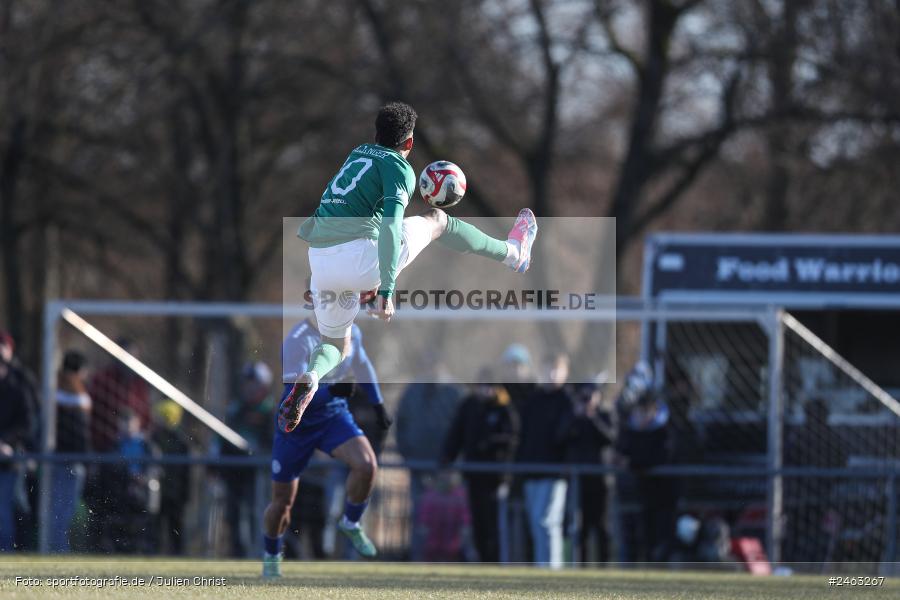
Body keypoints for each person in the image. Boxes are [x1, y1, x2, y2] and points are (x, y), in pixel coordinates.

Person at [278, 101, 539, 433]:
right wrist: (386, 289)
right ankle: (514, 253)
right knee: (438, 220)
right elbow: (389, 227)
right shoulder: (401, 170)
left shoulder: (358, 153)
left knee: (335, 344)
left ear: (377, 134)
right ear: (410, 143)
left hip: (320, 259)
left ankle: (311, 378)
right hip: (358, 257)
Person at [262, 318, 391, 577]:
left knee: (367, 466)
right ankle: (272, 556)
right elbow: (293, 398)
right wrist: (332, 392)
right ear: (313, 300)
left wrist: (378, 405)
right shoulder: (298, 341)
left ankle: (351, 522)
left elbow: (363, 366)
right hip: (296, 427)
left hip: (333, 417)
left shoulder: (351, 331)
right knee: (282, 502)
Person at [441, 375, 519, 563]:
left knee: (495, 523)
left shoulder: (504, 409)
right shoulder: (469, 406)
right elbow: (456, 435)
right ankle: (483, 561)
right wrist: (446, 458)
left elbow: (511, 440)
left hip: (496, 478)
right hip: (474, 476)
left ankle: (497, 562)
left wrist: (489, 445)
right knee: (477, 523)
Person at [396, 356, 462, 560]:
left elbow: (462, 429)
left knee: (448, 518)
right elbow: (401, 425)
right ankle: (419, 558)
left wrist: (453, 463)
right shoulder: (412, 393)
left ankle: (450, 561)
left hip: (446, 469)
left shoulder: (454, 393)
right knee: (420, 516)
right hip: (417, 465)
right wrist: (408, 456)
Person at [514, 351, 574, 569]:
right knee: (535, 523)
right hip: (532, 470)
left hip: (554, 473)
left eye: (556, 369)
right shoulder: (533, 401)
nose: (551, 374)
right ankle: (542, 567)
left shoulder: (567, 401)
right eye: (548, 368)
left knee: (547, 521)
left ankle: (552, 569)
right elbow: (524, 436)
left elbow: (567, 437)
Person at [559, 380, 615, 564]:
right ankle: (580, 566)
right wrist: (576, 417)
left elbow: (610, 438)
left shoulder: (604, 415)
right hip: (577, 480)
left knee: (602, 526)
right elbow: (560, 437)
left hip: (600, 480)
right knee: (578, 527)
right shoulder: (572, 417)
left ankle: (604, 567)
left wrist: (592, 418)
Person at [224, 361, 275, 557]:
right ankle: (238, 554)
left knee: (258, 512)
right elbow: (222, 442)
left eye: (254, 383)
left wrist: (259, 452)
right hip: (235, 471)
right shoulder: (235, 410)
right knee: (234, 513)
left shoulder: (271, 410)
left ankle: (260, 552)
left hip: (259, 473)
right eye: (246, 382)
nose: (249, 387)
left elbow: (274, 441)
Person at [52, 351, 92, 553]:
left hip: (56, 458)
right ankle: (58, 550)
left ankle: (56, 548)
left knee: (57, 509)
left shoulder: (54, 389)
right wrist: (87, 459)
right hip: (71, 459)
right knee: (63, 510)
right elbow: (81, 434)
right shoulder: (77, 395)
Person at [0, 331, 37, 551]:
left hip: (10, 458)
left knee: (9, 508)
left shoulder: (19, 384)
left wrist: (6, 442)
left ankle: (9, 552)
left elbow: (28, 422)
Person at [150, 399, 193, 555]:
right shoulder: (154, 438)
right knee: (155, 526)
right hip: (159, 490)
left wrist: (185, 493)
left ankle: (178, 554)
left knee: (176, 527)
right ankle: (154, 553)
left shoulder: (181, 442)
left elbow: (186, 473)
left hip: (175, 493)